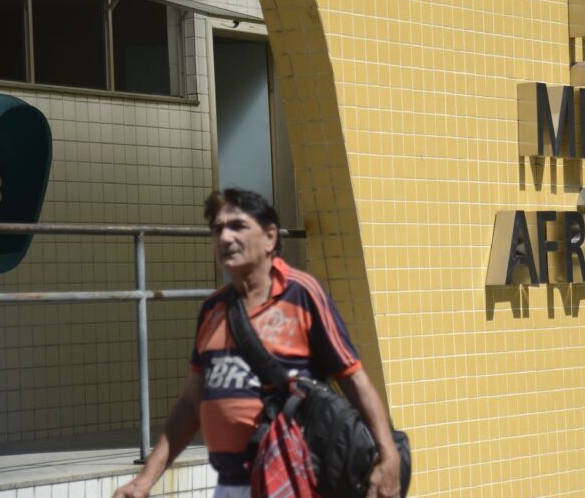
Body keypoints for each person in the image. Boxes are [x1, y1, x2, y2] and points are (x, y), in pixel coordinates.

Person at [113, 188, 401, 498]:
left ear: (270, 237)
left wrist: (389, 457)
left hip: (291, 479)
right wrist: (143, 481)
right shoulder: (212, 309)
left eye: (237, 226)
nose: (225, 238)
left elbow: (353, 378)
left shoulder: (302, 293)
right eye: (217, 229)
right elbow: (191, 404)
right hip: (229, 485)